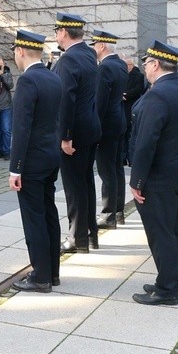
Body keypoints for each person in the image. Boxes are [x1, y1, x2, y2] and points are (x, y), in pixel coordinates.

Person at [129, 40, 178, 306]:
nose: (145, 68)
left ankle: (167, 289)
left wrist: (137, 181)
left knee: (161, 233)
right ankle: (171, 280)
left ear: (155, 64)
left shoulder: (158, 94)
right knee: (173, 231)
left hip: (157, 176)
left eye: (146, 63)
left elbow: (146, 142)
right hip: (177, 171)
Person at [9, 30, 63, 293]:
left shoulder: (28, 81)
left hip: (32, 160)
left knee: (34, 218)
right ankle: (52, 271)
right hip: (51, 155)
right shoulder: (53, 77)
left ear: (20, 51)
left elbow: (21, 129)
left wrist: (14, 168)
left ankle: (41, 275)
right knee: (49, 212)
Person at [52, 13, 102, 254]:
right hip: (90, 128)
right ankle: (90, 233)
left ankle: (77, 238)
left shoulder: (68, 60)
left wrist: (65, 136)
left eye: (56, 30)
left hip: (76, 133)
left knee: (74, 186)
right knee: (86, 183)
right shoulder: (89, 54)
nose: (55, 35)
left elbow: (65, 101)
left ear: (63, 32)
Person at [91, 30, 128, 230]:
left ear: (102, 45)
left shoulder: (105, 67)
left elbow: (100, 103)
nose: (94, 48)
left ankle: (108, 214)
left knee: (107, 171)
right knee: (116, 168)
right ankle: (119, 210)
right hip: (118, 122)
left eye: (95, 44)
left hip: (106, 126)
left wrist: (94, 128)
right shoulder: (120, 64)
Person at [122, 55, 145, 168]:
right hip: (122, 105)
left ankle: (131, 159)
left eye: (126, 65)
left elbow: (138, 89)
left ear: (131, 66)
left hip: (131, 105)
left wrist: (127, 95)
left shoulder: (138, 76)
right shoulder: (122, 75)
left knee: (130, 134)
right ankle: (122, 158)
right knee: (123, 134)